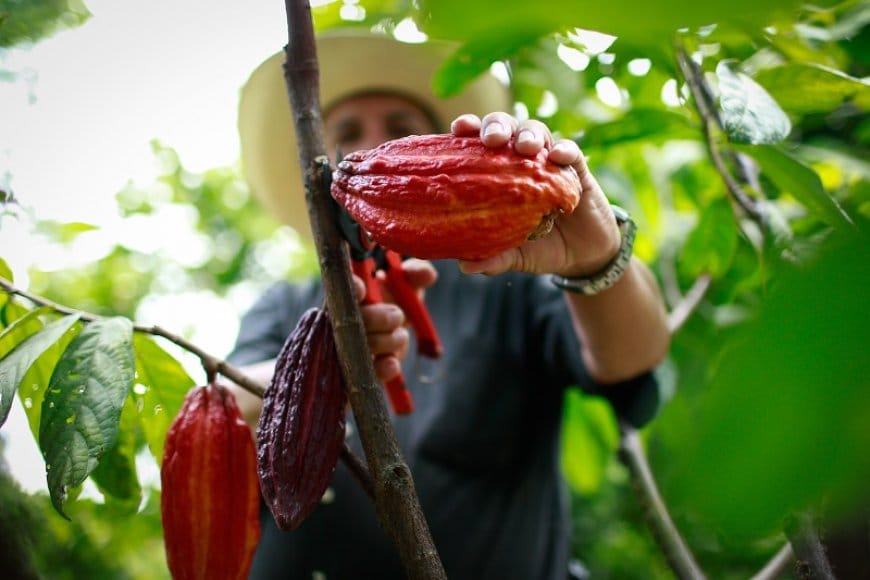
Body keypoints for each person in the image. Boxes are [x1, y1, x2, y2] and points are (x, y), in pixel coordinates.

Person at [227, 29, 670, 580]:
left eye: (400, 131)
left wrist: (597, 255)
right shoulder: (285, 305)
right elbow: (222, 414)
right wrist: (317, 370)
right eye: (347, 134)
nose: (369, 147)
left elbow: (633, 360)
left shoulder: (512, 283)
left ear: (436, 151)